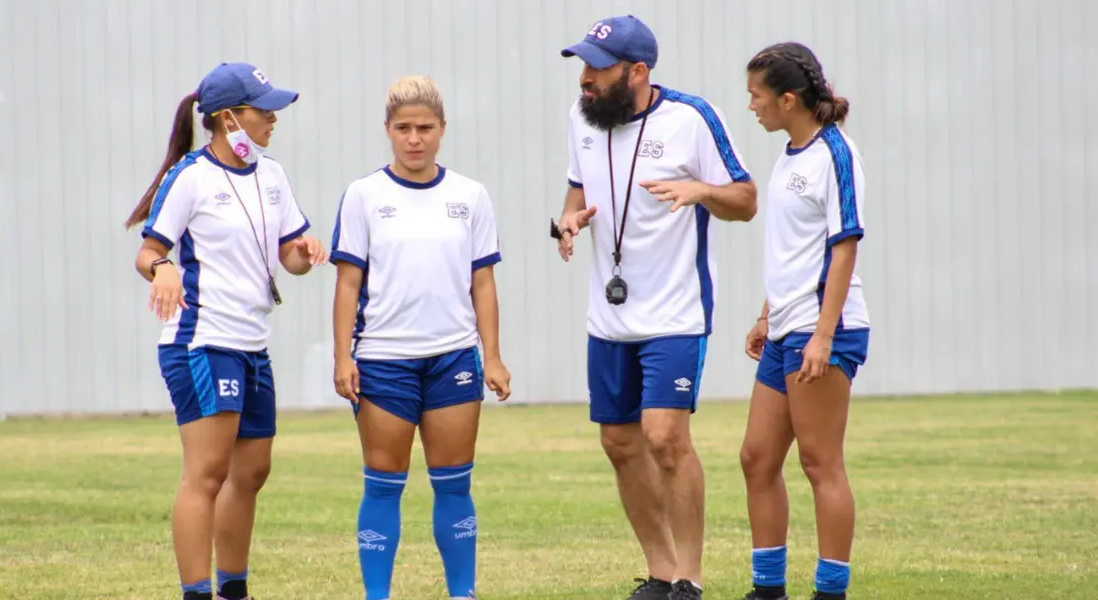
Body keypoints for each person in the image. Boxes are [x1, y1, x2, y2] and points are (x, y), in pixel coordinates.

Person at [555, 15, 758, 600]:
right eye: (583, 68)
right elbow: (577, 184)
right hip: (609, 313)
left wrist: (701, 191)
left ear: (637, 71)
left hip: (675, 311)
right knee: (619, 443)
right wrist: (569, 219)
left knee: (665, 437)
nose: (585, 80)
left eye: (598, 69)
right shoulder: (583, 116)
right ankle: (662, 572)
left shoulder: (693, 118)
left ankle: (691, 579)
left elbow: (744, 200)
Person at [122, 62, 328, 600]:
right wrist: (162, 268)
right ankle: (197, 593)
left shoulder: (272, 175)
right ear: (229, 118)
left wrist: (304, 254)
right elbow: (149, 252)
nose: (273, 120)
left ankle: (234, 590)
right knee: (208, 472)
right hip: (202, 341)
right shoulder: (190, 177)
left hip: (251, 343)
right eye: (265, 111)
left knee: (253, 470)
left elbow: (289, 254)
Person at [330, 75, 512, 600]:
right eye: (404, 128)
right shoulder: (364, 195)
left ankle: (463, 593)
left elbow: (483, 281)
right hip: (384, 360)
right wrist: (344, 357)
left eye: (425, 128)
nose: (414, 138)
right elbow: (347, 283)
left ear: (442, 130)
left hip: (453, 356)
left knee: (454, 483)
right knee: (383, 483)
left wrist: (492, 357)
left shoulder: (470, 196)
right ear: (387, 131)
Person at [739, 42, 870, 600]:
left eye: (757, 96)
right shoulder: (789, 152)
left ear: (788, 99)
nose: (752, 106)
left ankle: (830, 592)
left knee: (820, 464)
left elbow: (844, 248)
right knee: (756, 458)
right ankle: (768, 590)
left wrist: (821, 335)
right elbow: (794, 247)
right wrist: (768, 313)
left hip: (826, 329)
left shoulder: (835, 154)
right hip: (787, 326)